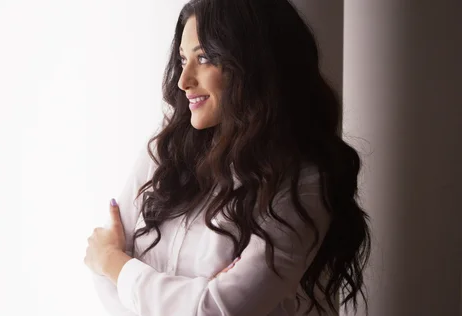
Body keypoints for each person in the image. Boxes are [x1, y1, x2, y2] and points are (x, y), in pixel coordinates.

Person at [84, 0, 371, 315]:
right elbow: (104, 283)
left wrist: (115, 262)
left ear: (255, 65)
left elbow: (218, 310)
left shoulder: (303, 182)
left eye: (204, 58)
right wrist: (189, 296)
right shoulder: (167, 152)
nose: (183, 81)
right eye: (183, 59)